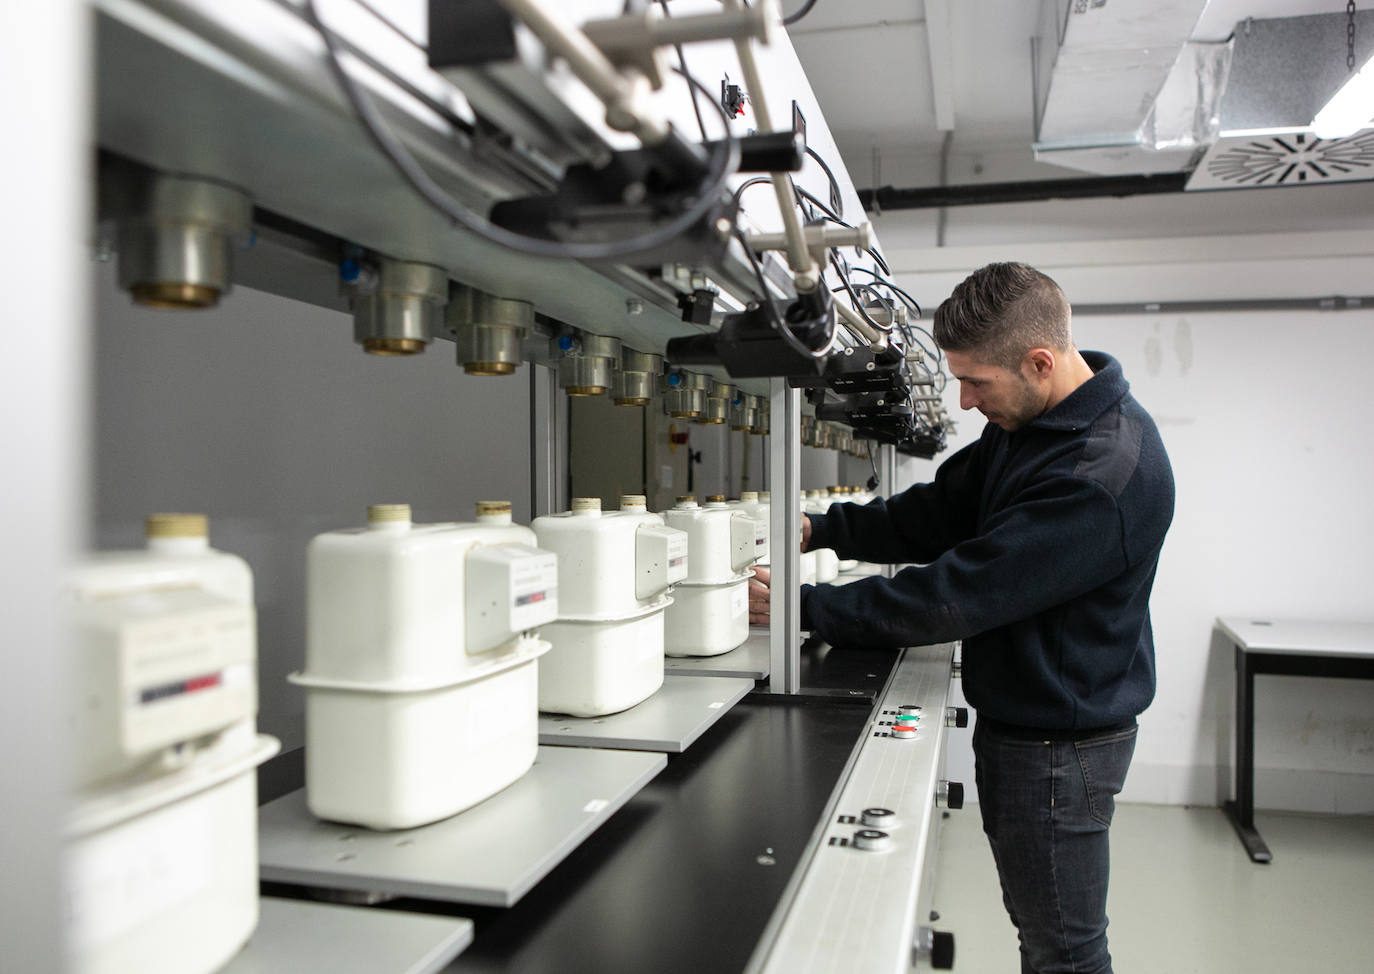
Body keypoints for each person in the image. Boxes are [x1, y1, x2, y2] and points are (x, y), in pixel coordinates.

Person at [748, 261, 1174, 974]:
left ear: (1039, 362)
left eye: (976, 381)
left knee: (1064, 947)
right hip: (1026, 723)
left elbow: (958, 593)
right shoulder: (1034, 421)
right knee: (1043, 931)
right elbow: (941, 512)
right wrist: (823, 529)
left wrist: (805, 607)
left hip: (1059, 750)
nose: (966, 400)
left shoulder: (1100, 473)